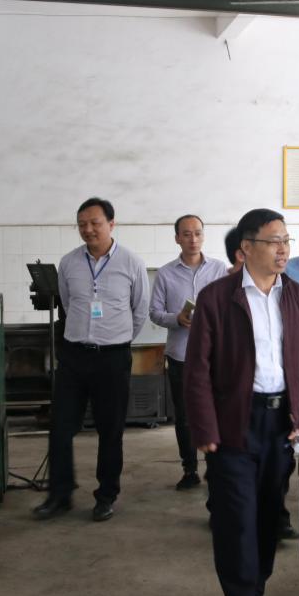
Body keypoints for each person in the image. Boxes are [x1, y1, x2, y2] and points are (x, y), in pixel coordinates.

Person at [183, 208, 299, 596]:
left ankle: (250, 591)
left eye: (286, 241)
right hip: (234, 425)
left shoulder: (296, 296)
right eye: (274, 240)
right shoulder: (216, 298)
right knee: (236, 522)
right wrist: (205, 427)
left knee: (266, 519)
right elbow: (197, 371)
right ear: (246, 248)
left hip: (281, 425)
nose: (283, 249)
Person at [35, 197, 150, 522]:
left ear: (111, 224)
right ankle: (59, 495)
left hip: (113, 358)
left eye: (95, 223)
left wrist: (116, 338)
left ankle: (106, 496)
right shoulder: (69, 262)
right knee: (60, 427)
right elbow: (68, 303)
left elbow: (139, 310)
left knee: (110, 431)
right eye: (82, 224)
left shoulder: (131, 263)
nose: (88, 229)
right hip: (74, 357)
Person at [150, 214, 229, 491]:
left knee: (218, 412)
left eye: (197, 233)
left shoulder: (219, 269)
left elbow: (230, 307)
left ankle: (216, 467)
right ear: (177, 238)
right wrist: (177, 318)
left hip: (215, 357)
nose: (193, 239)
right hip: (181, 356)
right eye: (186, 234)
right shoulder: (165, 273)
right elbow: (154, 313)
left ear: (203, 236)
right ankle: (189, 469)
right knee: (184, 417)